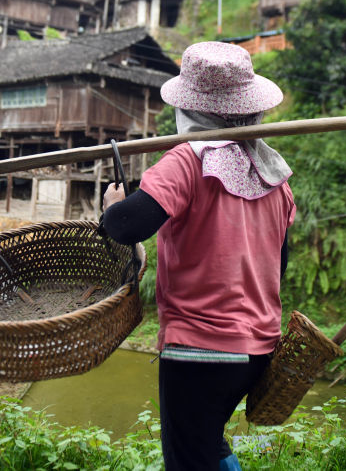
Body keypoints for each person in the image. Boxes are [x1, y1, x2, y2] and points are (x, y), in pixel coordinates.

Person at [102, 41, 295, 470]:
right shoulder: (274, 175)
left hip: (201, 350)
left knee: (189, 457)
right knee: (209, 445)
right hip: (259, 347)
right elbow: (278, 265)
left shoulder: (188, 161)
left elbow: (125, 226)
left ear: (190, 109)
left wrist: (113, 203)